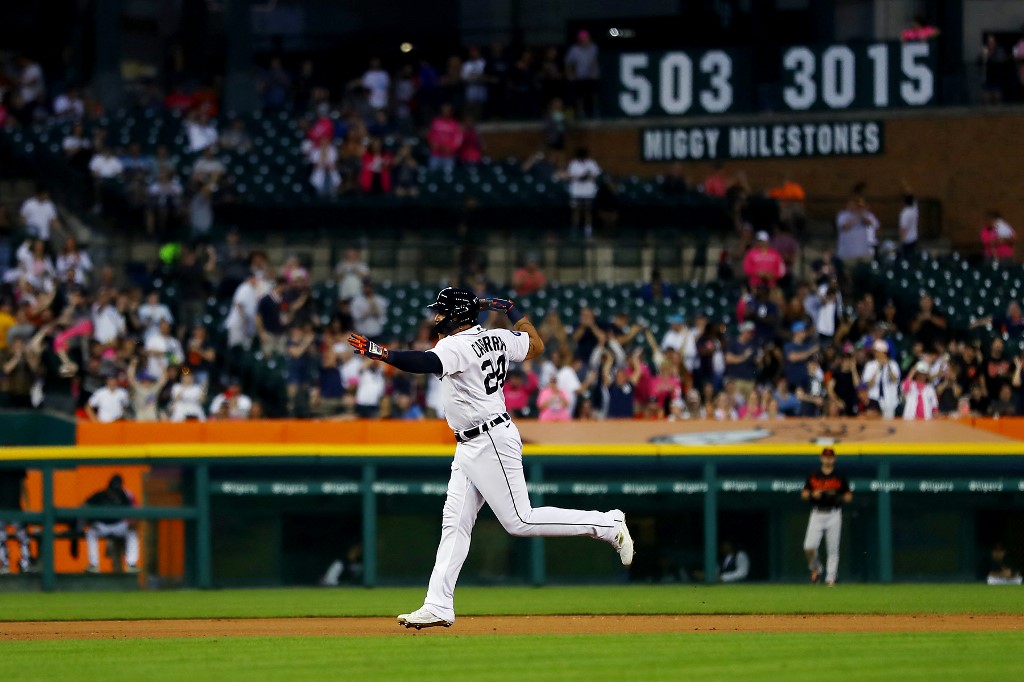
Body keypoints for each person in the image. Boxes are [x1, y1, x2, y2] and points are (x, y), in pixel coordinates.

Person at [347, 287, 633, 629]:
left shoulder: (455, 345)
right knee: (455, 524)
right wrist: (512, 310)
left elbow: (425, 362)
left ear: (457, 315)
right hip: (472, 442)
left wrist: (382, 352)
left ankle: (606, 524)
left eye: (441, 312)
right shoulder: (498, 337)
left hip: (490, 439)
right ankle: (438, 605)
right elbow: (536, 345)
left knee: (520, 521)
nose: (436, 317)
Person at [801, 447, 852, 586]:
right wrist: (813, 494)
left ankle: (831, 578)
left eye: (830, 457)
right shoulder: (814, 475)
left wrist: (837, 496)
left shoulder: (839, 475)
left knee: (833, 549)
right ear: (821, 458)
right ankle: (816, 568)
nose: (828, 459)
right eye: (825, 457)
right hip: (817, 513)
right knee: (809, 546)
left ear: (834, 459)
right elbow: (804, 494)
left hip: (833, 513)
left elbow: (848, 496)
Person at [84, 474, 140, 573]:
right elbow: (84, 506)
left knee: (132, 532)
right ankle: (93, 565)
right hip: (102, 526)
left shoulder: (123, 495)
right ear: (108, 487)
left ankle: (131, 564)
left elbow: (131, 512)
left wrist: (131, 522)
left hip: (118, 525)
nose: (114, 492)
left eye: (117, 489)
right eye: (112, 489)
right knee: (90, 532)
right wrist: (90, 521)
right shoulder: (100, 495)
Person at [0, 467, 34, 574]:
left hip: (16, 508)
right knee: (0, 537)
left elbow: (23, 486)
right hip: (1, 509)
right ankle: (5, 564)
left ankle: (25, 564)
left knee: (23, 537)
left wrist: (28, 508)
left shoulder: (17, 466)